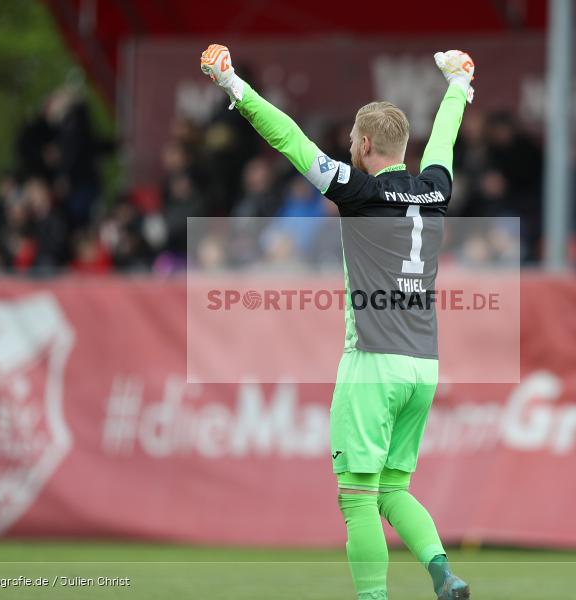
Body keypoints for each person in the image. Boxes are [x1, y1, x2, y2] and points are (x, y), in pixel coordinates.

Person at [201, 44, 473, 600]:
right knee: (393, 489)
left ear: (365, 145)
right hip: (423, 365)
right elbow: (443, 141)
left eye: (352, 139)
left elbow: (290, 140)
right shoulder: (436, 188)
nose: (348, 146)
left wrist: (234, 86)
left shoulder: (359, 190)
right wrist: (457, 87)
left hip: (372, 363)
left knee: (357, 497)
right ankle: (442, 572)